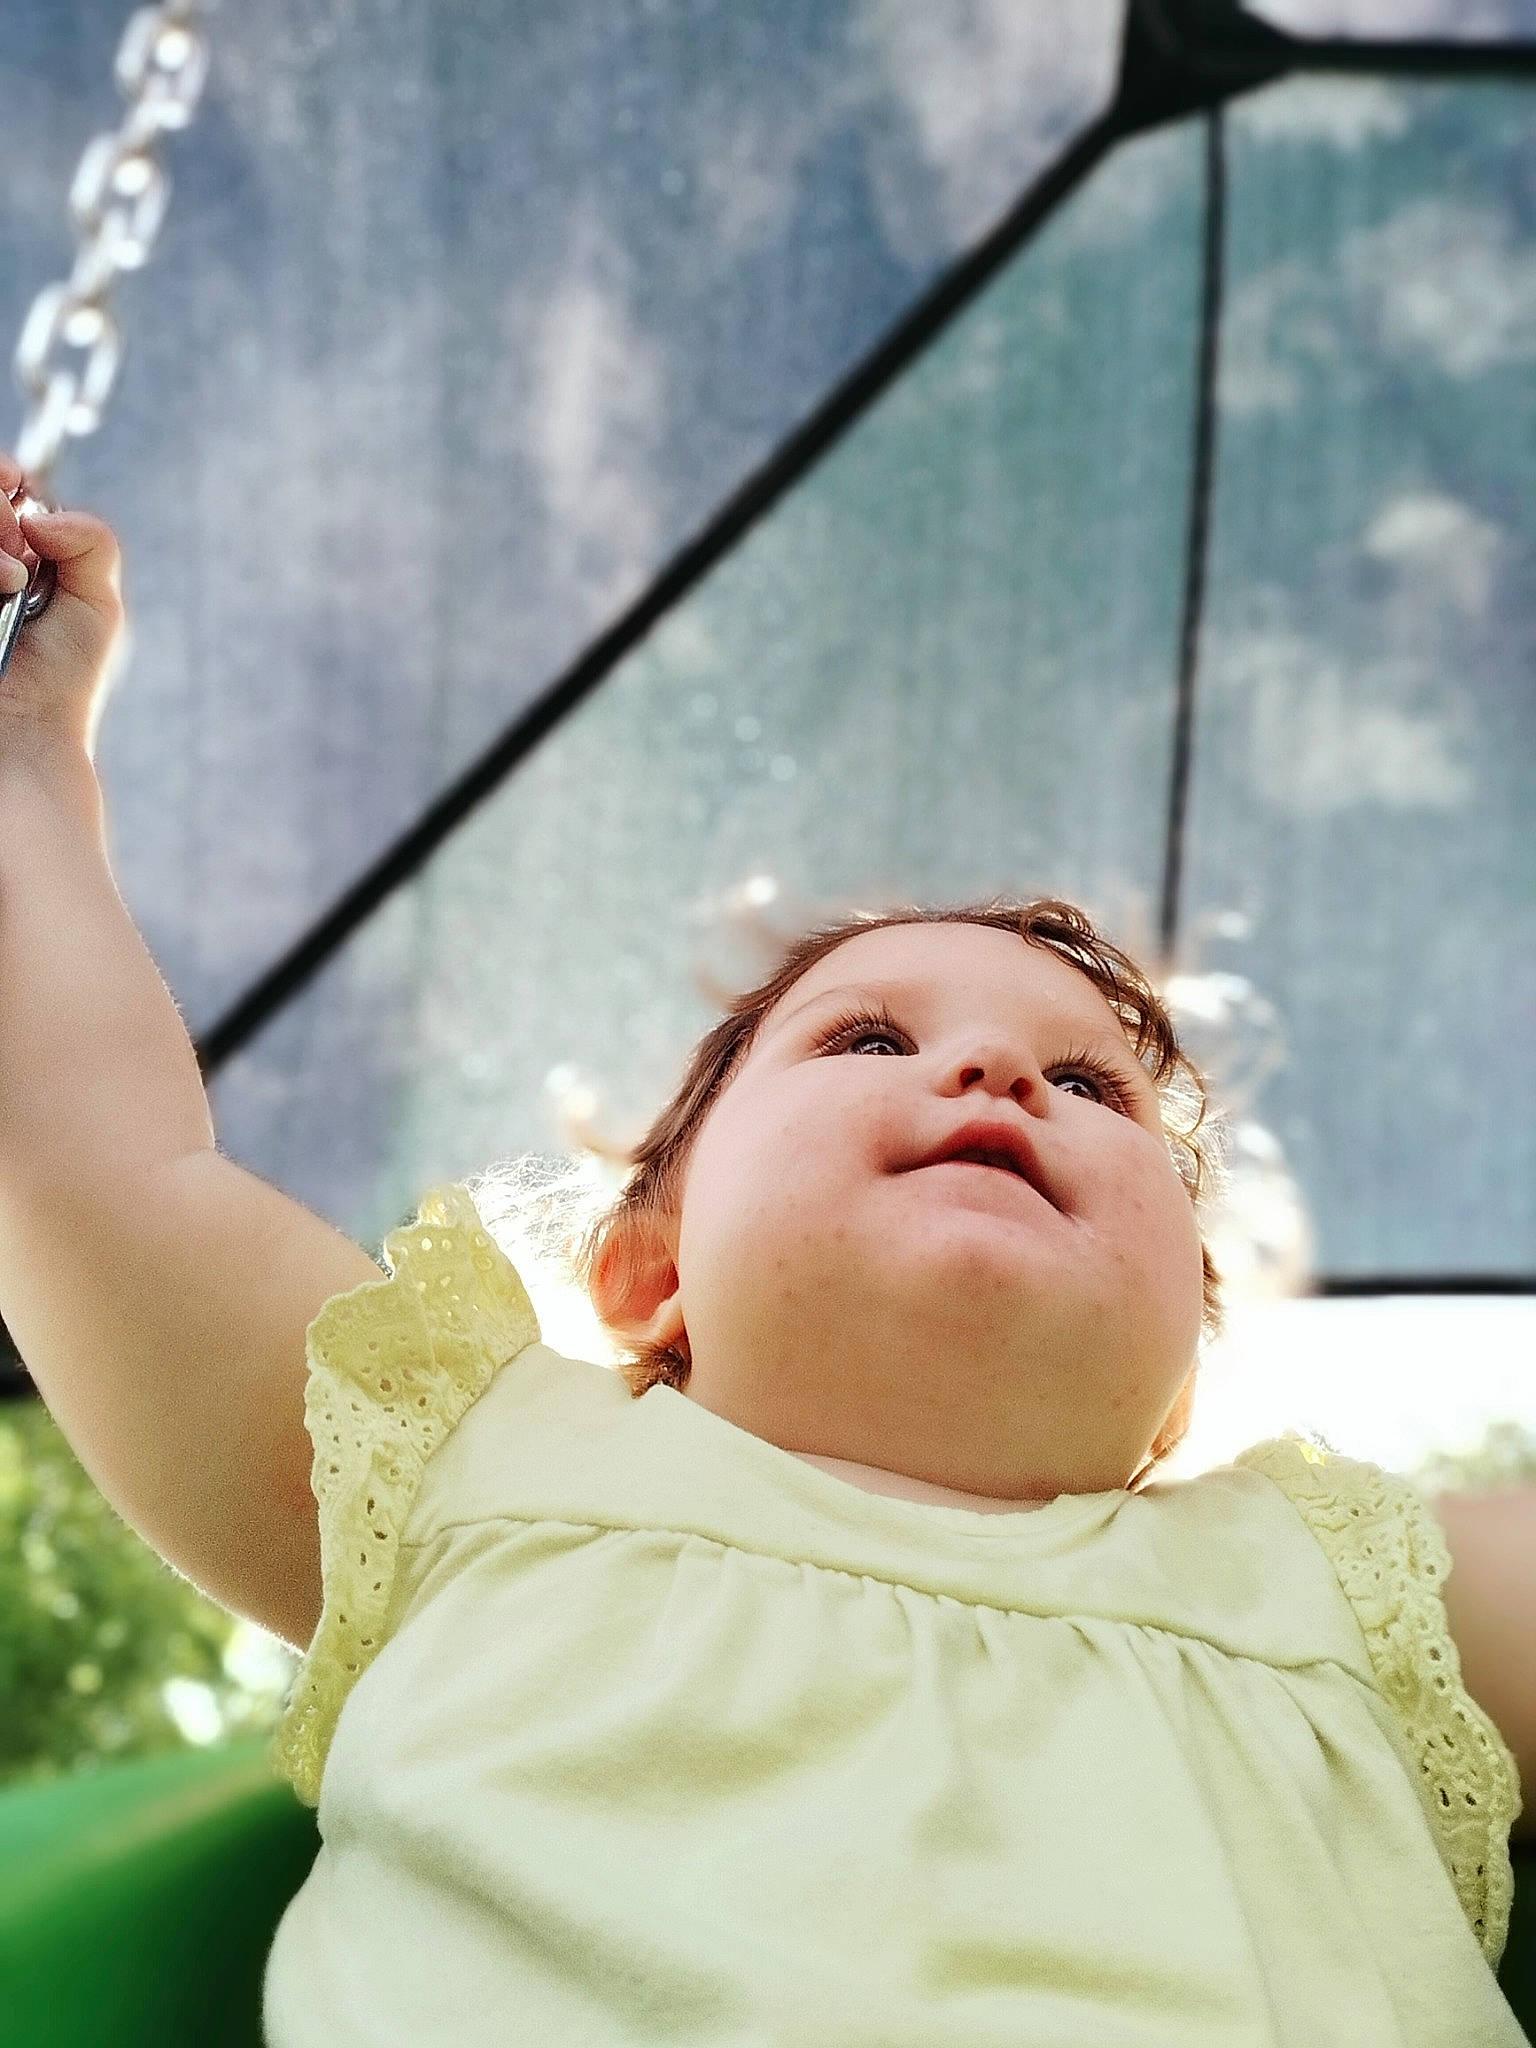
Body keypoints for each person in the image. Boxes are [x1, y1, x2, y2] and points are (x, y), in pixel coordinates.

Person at [0, 455, 1527, 2046]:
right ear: (652, 1267)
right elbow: (103, 1165)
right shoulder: (473, 1464)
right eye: (869, 1038)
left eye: (1091, 1087)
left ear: (1182, 1372)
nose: (996, 1075)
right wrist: (29, 754)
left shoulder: (1342, 1594)